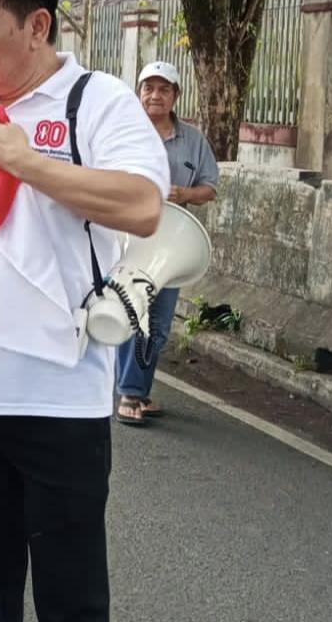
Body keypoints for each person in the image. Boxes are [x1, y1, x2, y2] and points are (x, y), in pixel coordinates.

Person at [0, 0, 168, 622]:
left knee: (71, 597)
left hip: (63, 399)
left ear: (37, 26)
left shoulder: (97, 102)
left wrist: (24, 161)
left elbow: (143, 205)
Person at [115, 61, 218, 426]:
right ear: (138, 92)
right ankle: (130, 392)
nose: (155, 95)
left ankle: (137, 389)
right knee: (133, 310)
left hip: (171, 244)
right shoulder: (124, 132)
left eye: (164, 89)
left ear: (175, 95)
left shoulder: (193, 140)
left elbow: (210, 187)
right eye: (148, 88)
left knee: (158, 323)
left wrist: (184, 194)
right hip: (130, 236)